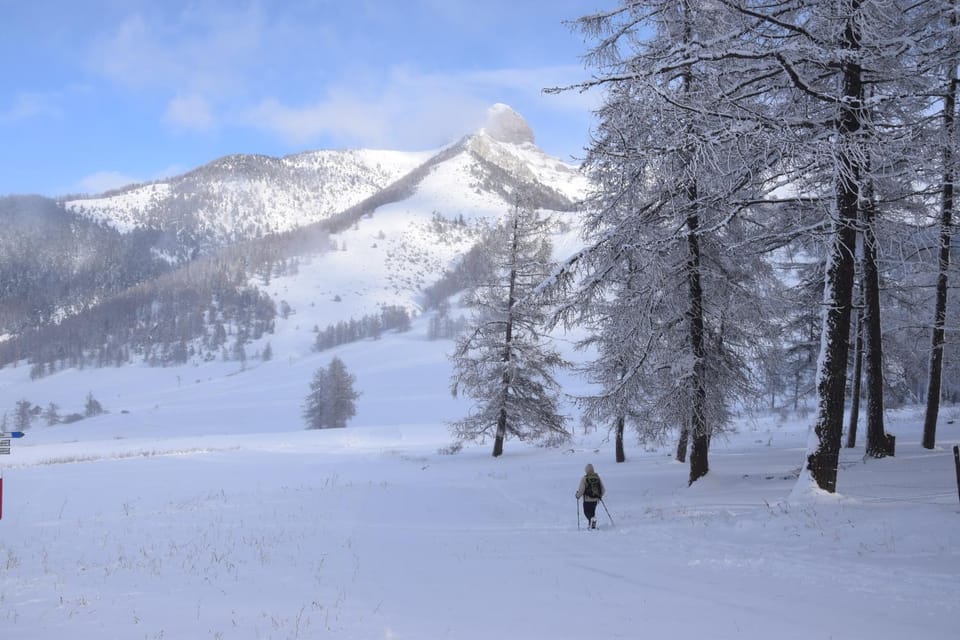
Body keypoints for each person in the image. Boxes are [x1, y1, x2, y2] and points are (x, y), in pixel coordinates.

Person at [575, 463, 605, 529]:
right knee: (592, 512)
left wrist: (577, 496)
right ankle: (591, 525)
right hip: (595, 500)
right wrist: (599, 496)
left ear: (586, 470)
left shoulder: (584, 478)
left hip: (587, 499)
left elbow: (581, 489)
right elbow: (603, 489)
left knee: (586, 512)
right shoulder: (597, 477)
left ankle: (592, 521)